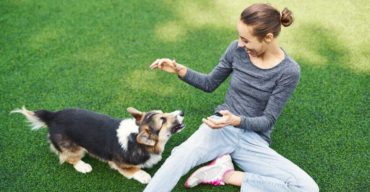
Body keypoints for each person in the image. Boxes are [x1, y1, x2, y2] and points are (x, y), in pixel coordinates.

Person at [145, 3, 319, 192]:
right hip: (220, 128)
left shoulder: (289, 71)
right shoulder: (236, 50)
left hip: (253, 139)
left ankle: (227, 174)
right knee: (179, 157)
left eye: (246, 40)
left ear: (268, 38)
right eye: (239, 37)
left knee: (307, 188)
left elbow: (267, 120)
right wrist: (180, 70)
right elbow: (209, 83)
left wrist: (236, 120)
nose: (240, 43)